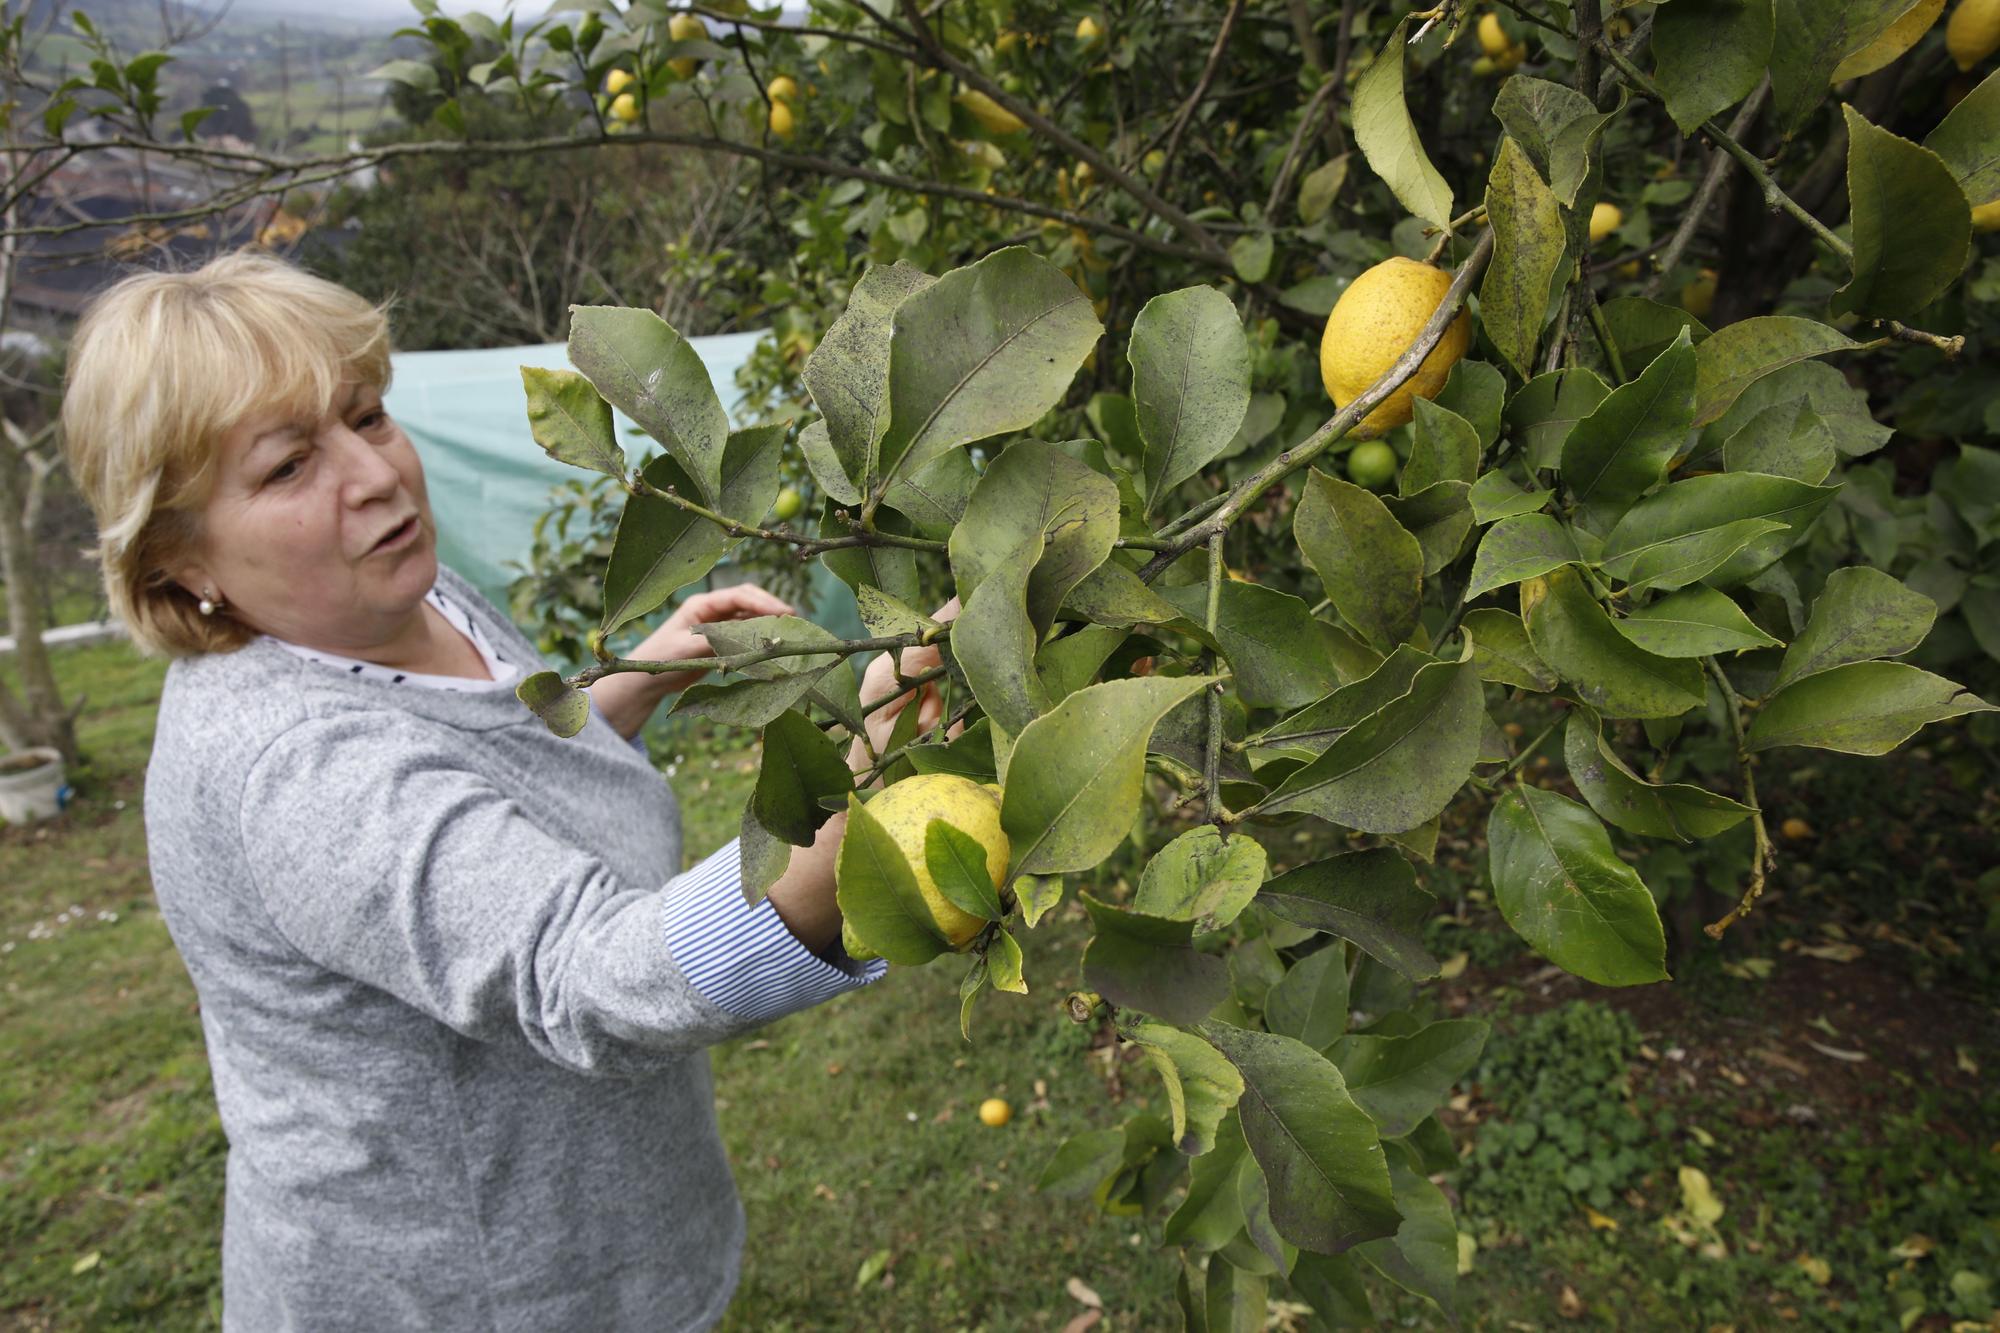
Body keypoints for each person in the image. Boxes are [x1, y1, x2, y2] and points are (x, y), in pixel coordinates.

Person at [58, 251, 945, 1331]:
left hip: (594, 1216)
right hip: (471, 1288)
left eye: (368, 415)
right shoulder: (291, 770)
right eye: (289, 467)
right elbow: (581, 976)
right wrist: (857, 816)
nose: (376, 474)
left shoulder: (393, 594)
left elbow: (469, 774)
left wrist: (629, 684)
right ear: (175, 559)